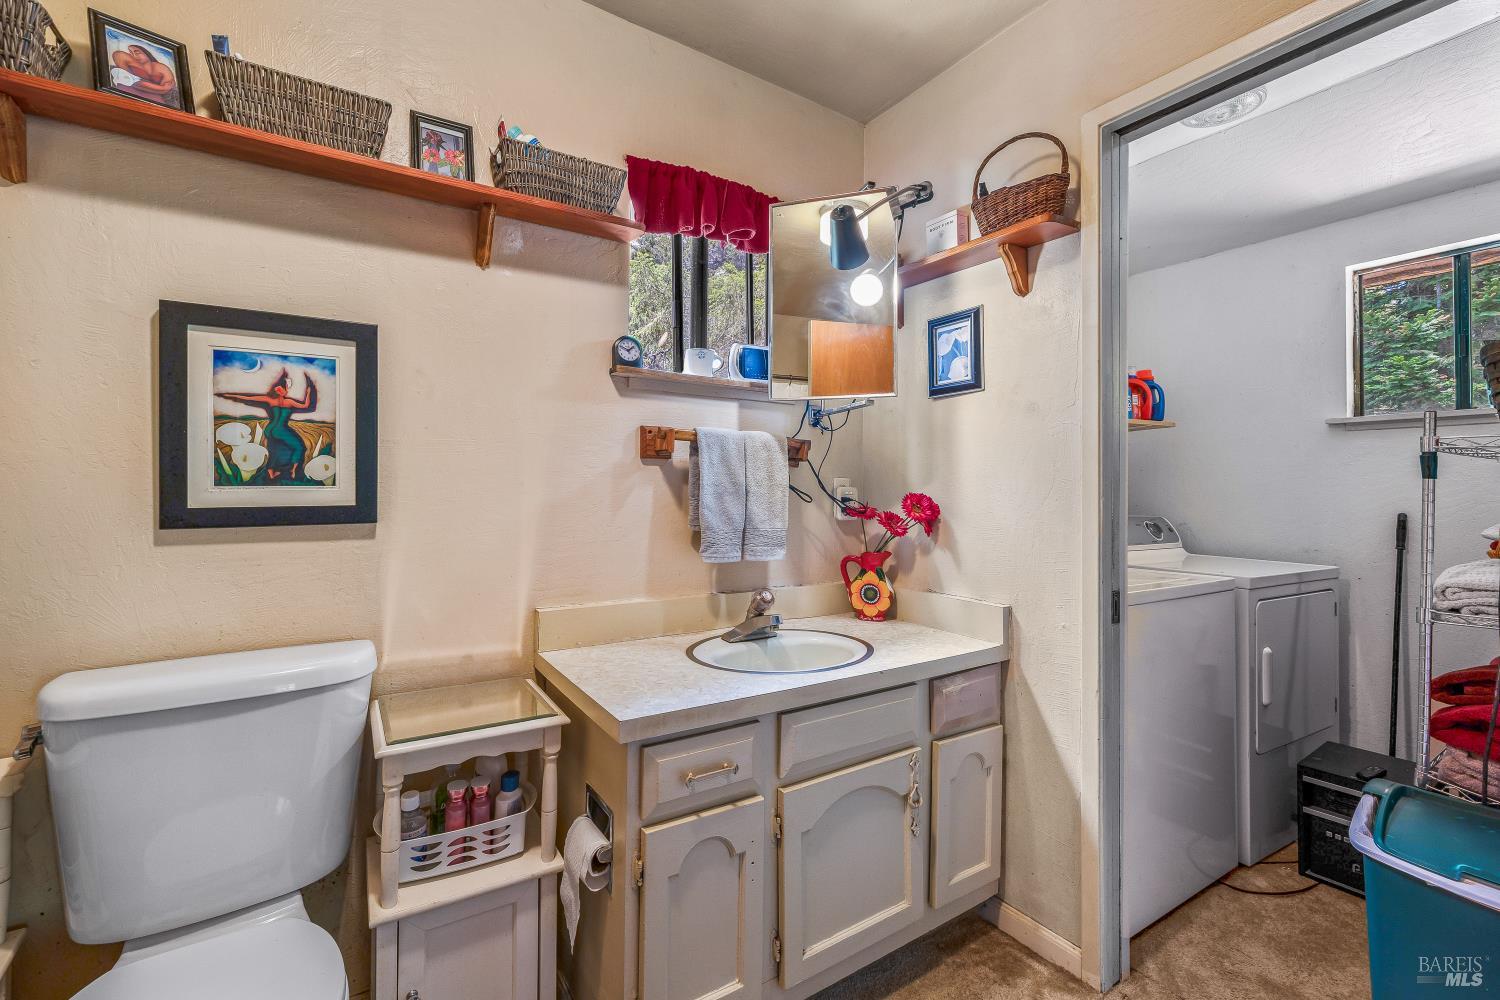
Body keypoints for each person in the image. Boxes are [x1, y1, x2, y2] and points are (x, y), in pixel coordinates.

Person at [215, 370, 318, 483]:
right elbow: (306, 405)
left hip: (269, 430)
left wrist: (226, 395)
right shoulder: (289, 402)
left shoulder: (269, 400)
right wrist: (308, 391)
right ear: (279, 389)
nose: (286, 390)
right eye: (285, 388)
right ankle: (293, 471)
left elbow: (247, 398)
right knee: (299, 447)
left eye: (286, 388)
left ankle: (271, 473)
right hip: (280, 430)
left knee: (274, 450)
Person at [111, 43, 178, 105]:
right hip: (128, 97)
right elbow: (133, 82)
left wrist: (163, 89)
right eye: (131, 53)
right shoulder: (129, 66)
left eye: (137, 52)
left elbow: (168, 88)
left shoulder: (162, 68)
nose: (134, 56)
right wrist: (162, 88)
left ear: (146, 53)